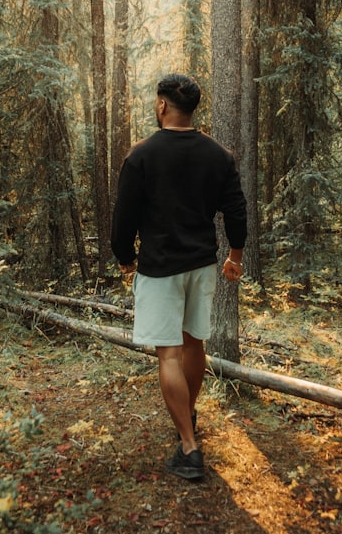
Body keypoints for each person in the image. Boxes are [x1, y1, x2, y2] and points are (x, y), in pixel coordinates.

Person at [111, 73, 247, 480]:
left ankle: (189, 448)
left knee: (168, 354)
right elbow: (236, 210)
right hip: (202, 265)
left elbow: (124, 217)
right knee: (194, 345)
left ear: (162, 106)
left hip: (160, 268)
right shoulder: (218, 155)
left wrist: (125, 258)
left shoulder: (141, 155)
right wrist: (234, 255)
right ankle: (187, 415)